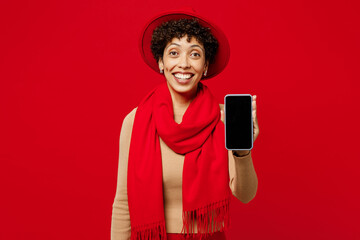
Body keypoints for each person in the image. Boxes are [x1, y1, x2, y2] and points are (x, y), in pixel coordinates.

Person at [111, 10, 259, 240]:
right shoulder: (136, 120)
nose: (184, 64)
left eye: (195, 54)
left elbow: (245, 195)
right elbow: (123, 202)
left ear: (206, 66)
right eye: (173, 53)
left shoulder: (224, 117)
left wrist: (243, 152)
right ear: (161, 62)